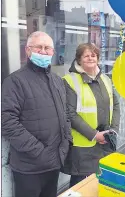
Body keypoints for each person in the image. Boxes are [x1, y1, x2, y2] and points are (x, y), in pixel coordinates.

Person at [1, 31, 72, 197]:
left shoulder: (57, 80)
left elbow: (65, 114)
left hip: (54, 163)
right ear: (28, 50)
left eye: (47, 48)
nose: (43, 51)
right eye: (38, 47)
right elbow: (7, 122)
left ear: (53, 52)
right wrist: (39, 151)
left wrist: (67, 141)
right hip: (29, 168)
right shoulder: (15, 81)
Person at [62, 43, 120, 187]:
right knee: (80, 187)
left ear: (98, 59)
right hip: (83, 148)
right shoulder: (69, 81)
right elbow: (70, 113)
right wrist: (94, 135)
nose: (90, 58)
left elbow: (116, 105)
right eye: (86, 55)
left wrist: (113, 130)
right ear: (79, 60)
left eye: (93, 55)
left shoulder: (106, 79)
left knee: (101, 185)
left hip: (106, 143)